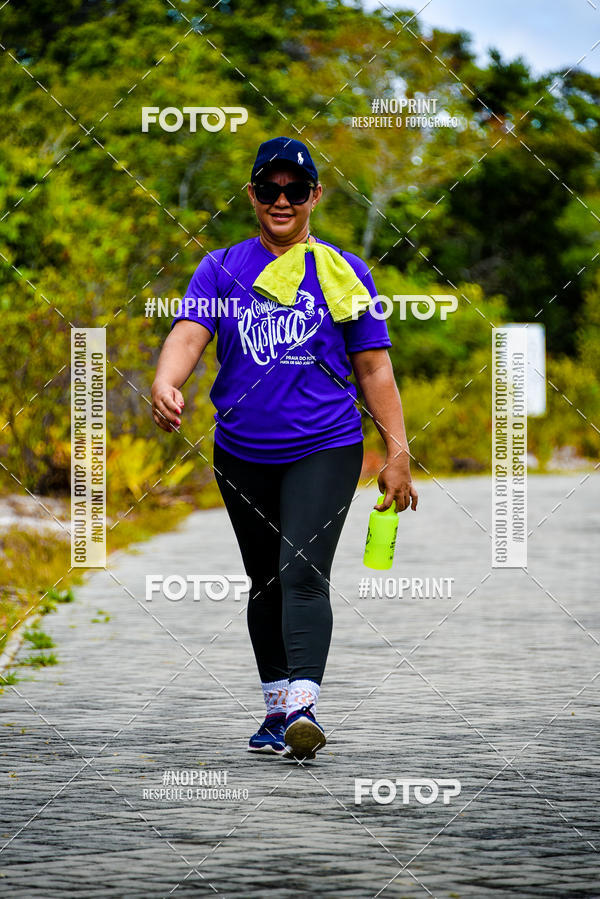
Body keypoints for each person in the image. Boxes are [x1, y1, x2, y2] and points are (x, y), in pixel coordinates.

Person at [151, 136, 418, 761]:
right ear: (252, 195)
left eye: (294, 190)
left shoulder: (345, 271)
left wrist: (397, 450)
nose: (281, 200)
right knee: (264, 579)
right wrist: (167, 380)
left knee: (302, 571)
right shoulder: (222, 268)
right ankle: (276, 709)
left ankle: (303, 706)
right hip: (242, 449)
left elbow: (374, 367)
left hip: (325, 444)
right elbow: (189, 334)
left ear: (314, 197)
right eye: (268, 189)